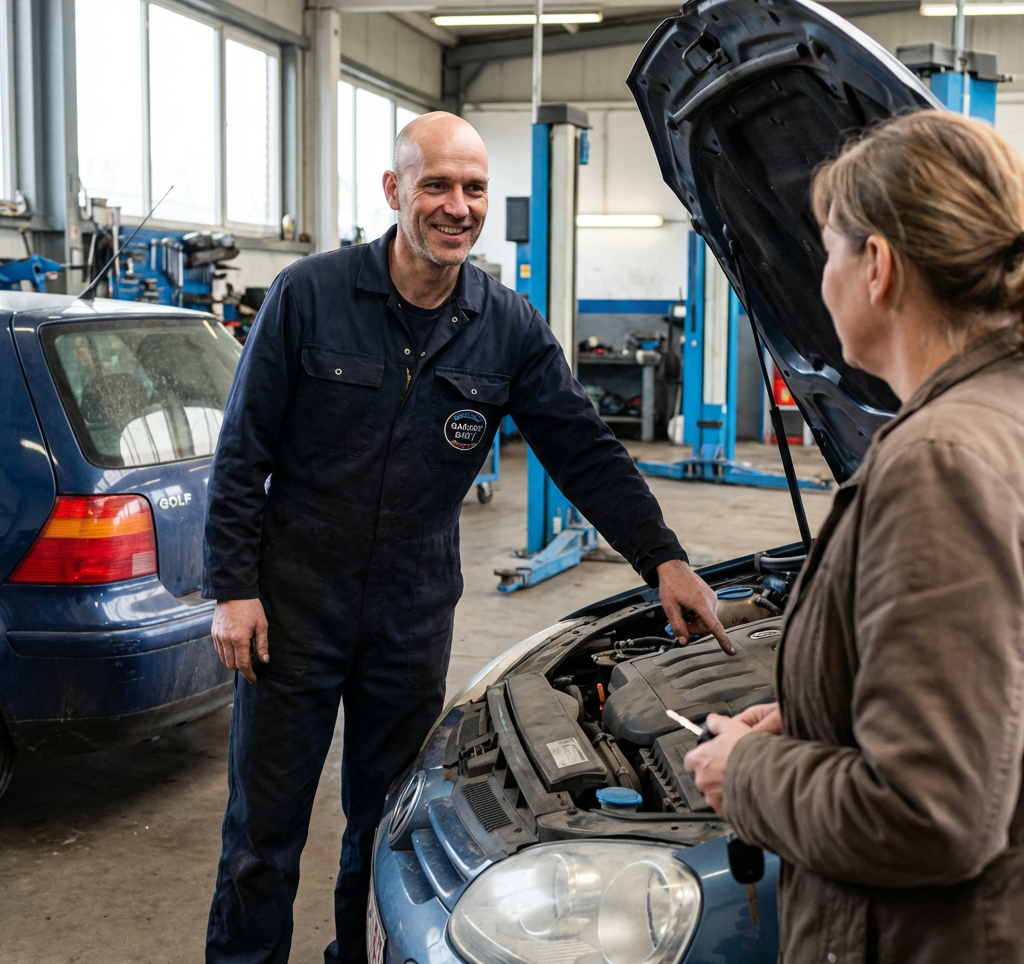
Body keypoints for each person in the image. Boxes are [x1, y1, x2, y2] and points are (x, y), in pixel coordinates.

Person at [203, 111, 731, 964]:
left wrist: (662, 557)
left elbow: (584, 450)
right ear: (394, 191)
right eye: (437, 185)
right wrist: (233, 588)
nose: (458, 206)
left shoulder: (507, 324)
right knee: (263, 841)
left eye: (475, 188)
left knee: (384, 833)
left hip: (409, 615)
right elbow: (242, 452)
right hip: (294, 603)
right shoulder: (311, 295)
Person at [685, 109, 1024, 964]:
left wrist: (750, 775)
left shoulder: (941, 461)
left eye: (828, 248)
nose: (820, 275)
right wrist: (814, 718)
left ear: (877, 267)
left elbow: (930, 813)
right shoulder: (1002, 418)